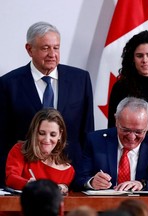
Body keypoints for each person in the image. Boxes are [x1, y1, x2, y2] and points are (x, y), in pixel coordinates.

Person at [0, 21, 94, 187]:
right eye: (45, 48)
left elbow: (87, 132)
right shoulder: (8, 84)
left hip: (71, 176)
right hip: (26, 180)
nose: (52, 54)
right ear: (29, 49)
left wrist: (86, 177)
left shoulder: (81, 79)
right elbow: (3, 137)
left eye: (56, 48)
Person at [75, 97, 148, 191]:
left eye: (138, 132)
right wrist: (92, 182)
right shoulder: (95, 141)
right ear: (116, 120)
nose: (132, 137)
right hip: (103, 206)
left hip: (142, 207)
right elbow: (79, 179)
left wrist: (143, 185)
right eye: (126, 130)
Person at [6, 108, 75, 194]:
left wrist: (62, 188)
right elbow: (11, 178)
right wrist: (29, 184)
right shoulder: (20, 149)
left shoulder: (68, 171)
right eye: (42, 133)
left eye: (53, 134)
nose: (47, 140)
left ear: (60, 135)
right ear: (34, 132)